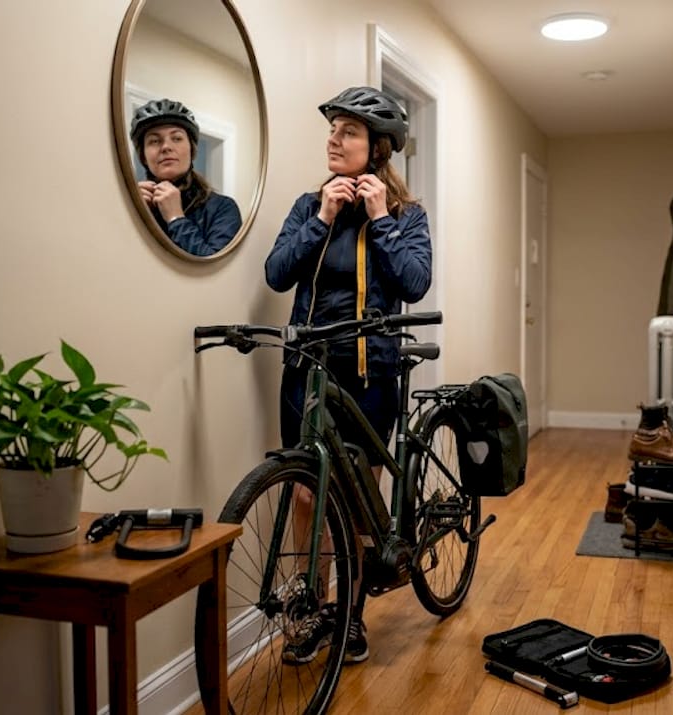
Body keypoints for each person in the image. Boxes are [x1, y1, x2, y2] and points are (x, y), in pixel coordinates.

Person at [265, 86, 432, 665]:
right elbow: (276, 275)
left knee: (358, 501)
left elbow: (414, 283)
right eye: (332, 129)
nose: (334, 139)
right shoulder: (308, 206)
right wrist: (323, 217)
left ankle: (351, 618)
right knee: (307, 494)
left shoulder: (408, 214)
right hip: (306, 372)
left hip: (368, 373)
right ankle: (310, 610)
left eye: (349, 131)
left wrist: (380, 218)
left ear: (378, 148)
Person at [129, 98, 242, 257]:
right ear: (143, 157)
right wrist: (132, 216)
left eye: (176, 138)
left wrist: (175, 218)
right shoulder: (130, 205)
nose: (166, 147)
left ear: (192, 150)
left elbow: (215, 272)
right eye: (154, 141)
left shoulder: (222, 209)